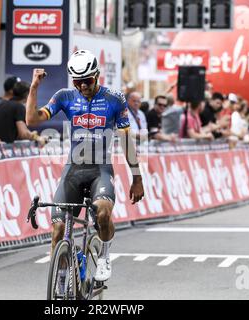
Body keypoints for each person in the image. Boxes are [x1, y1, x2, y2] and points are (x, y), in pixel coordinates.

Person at [26, 49, 144, 282]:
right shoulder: (64, 96)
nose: (83, 86)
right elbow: (32, 120)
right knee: (59, 230)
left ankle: (104, 256)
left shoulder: (114, 98)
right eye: (77, 82)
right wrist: (33, 88)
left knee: (102, 214)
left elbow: (126, 141)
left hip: (100, 169)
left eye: (87, 81)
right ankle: (60, 278)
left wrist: (137, 178)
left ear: (97, 75)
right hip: (73, 169)